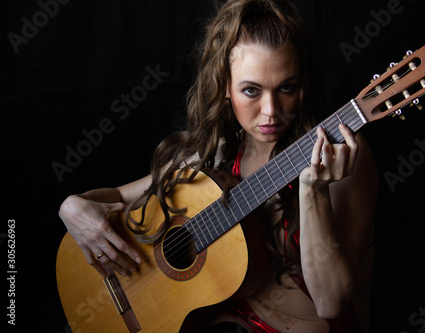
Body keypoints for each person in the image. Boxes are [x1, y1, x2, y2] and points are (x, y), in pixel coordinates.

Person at [58, 0, 378, 332]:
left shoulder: (340, 155)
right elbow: (113, 198)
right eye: (251, 90)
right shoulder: (216, 155)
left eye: (286, 88)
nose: (271, 111)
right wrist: (72, 207)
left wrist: (313, 191)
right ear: (225, 87)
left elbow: (331, 302)